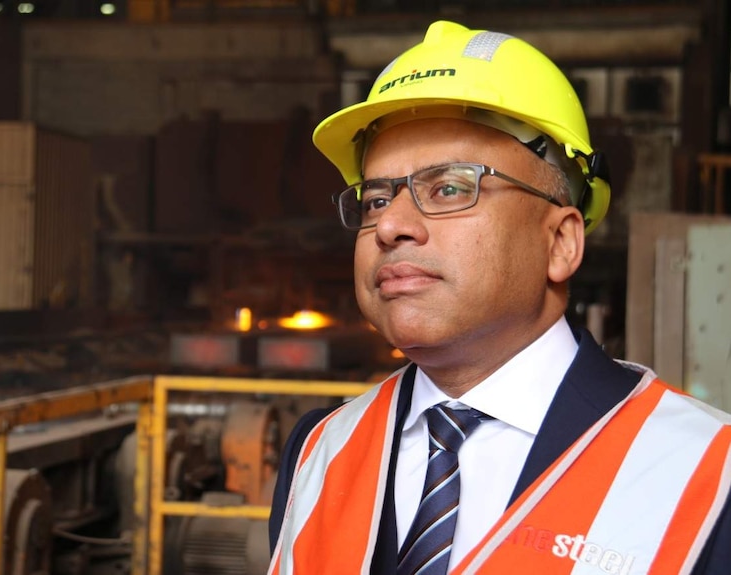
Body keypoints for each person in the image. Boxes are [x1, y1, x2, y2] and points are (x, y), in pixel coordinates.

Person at [267, 20, 731, 575]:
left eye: (450, 188)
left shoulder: (706, 473)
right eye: (375, 199)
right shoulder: (319, 451)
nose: (390, 225)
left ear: (559, 242)